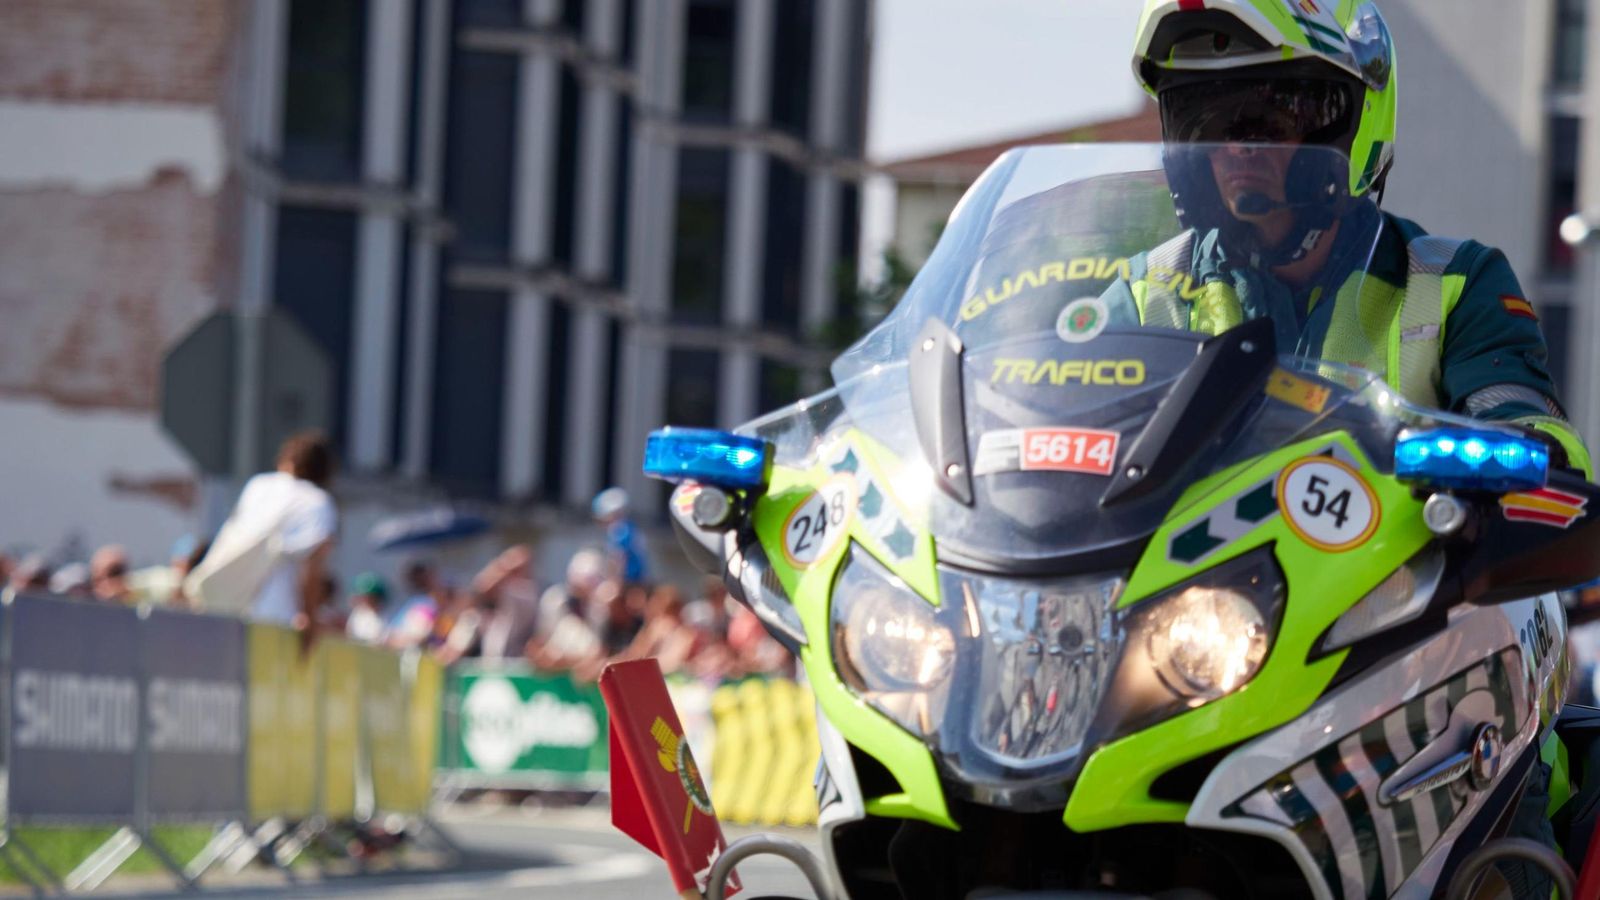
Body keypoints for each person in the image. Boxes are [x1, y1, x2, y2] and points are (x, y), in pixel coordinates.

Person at [1112, 0, 1591, 476]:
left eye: (1268, 119)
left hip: (1396, 551)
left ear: (1351, 123)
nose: (1236, 146)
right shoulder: (1142, 296)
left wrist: (1519, 449)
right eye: (1205, 120)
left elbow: (1527, 430)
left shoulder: (1454, 284)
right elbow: (1059, 427)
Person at [195, 431, 337, 641]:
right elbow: (312, 569)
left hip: (230, 607)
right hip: (276, 617)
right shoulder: (318, 502)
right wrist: (310, 621)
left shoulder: (258, 486)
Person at [592, 487, 650, 584]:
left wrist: (611, 580)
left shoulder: (620, 530)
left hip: (629, 581)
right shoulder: (630, 527)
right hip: (637, 579)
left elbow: (618, 558)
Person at [345, 572, 388, 644]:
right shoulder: (357, 613)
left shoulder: (387, 615)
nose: (365, 600)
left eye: (370, 597)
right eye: (363, 596)